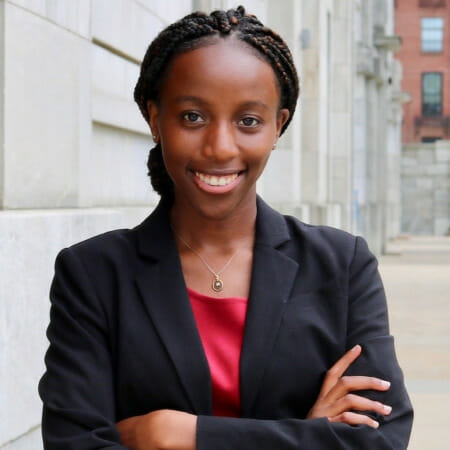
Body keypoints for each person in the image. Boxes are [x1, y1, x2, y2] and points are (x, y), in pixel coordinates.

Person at [38, 6, 413, 450]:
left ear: (279, 125)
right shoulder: (93, 273)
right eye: (193, 117)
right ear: (156, 119)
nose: (220, 147)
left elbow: (380, 442)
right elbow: (74, 443)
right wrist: (309, 435)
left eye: (248, 121)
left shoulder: (342, 265)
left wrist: (179, 434)